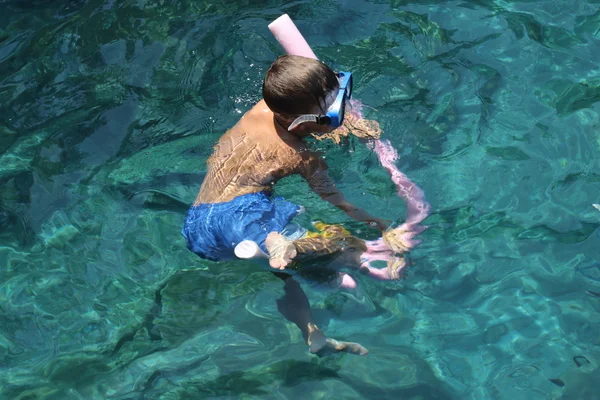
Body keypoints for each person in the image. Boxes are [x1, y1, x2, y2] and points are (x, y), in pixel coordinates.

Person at [182, 55, 409, 356]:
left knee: (283, 272)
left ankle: (312, 332)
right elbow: (341, 203)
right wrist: (381, 224)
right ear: (301, 122)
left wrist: (336, 124)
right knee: (334, 246)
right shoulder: (303, 157)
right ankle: (289, 246)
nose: (342, 114)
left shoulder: (261, 109)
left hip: (200, 221)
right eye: (333, 115)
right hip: (245, 215)